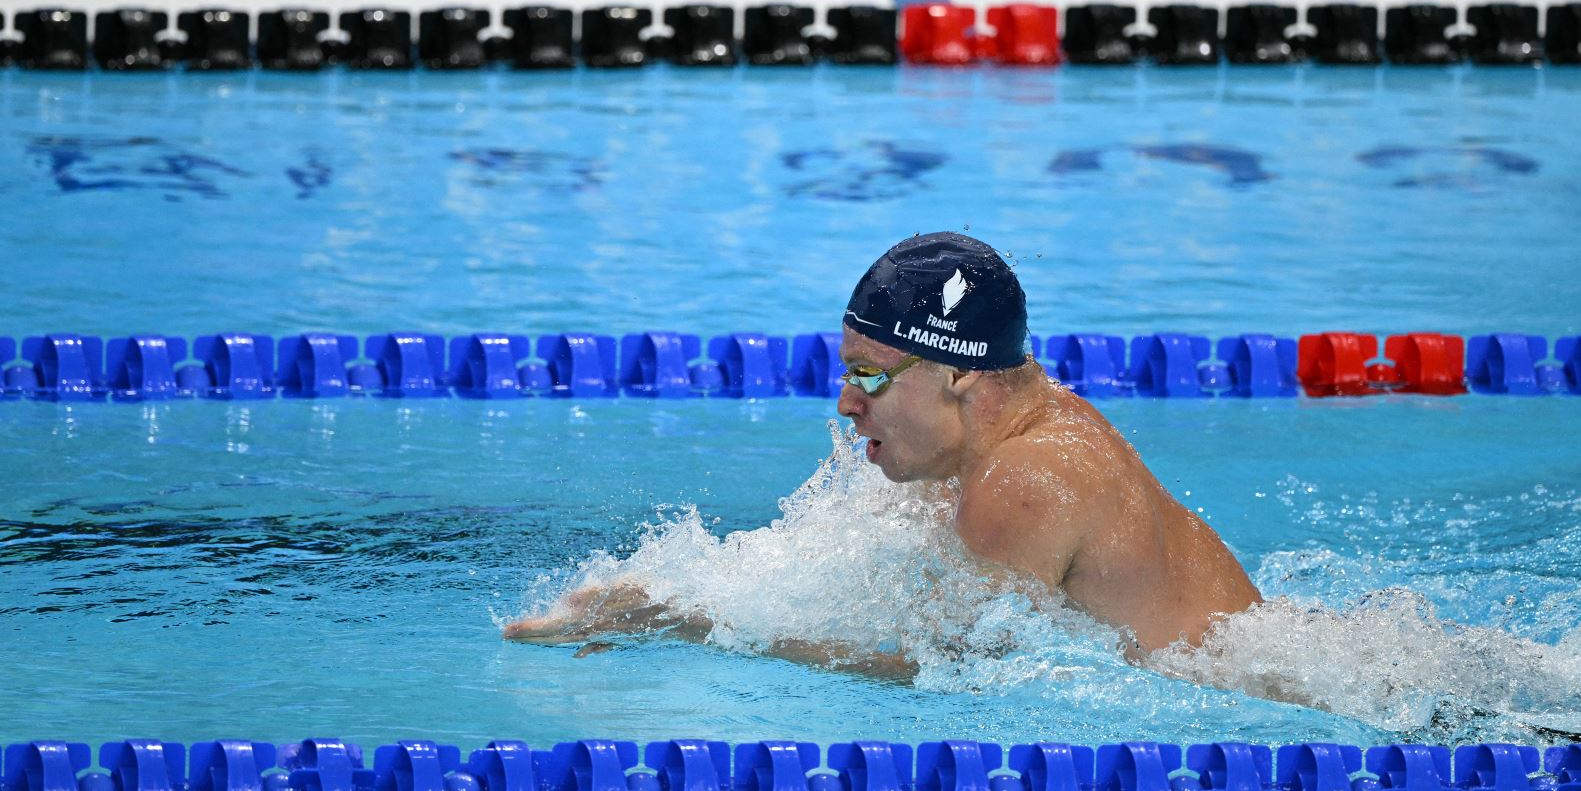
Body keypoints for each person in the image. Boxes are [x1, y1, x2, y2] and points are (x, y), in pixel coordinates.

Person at [503, 232, 1261, 676]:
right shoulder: (999, 436)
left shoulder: (1023, 479)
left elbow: (934, 669)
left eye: (869, 375)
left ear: (959, 373)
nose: (845, 403)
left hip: (1247, 701)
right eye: (846, 371)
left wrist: (682, 620)